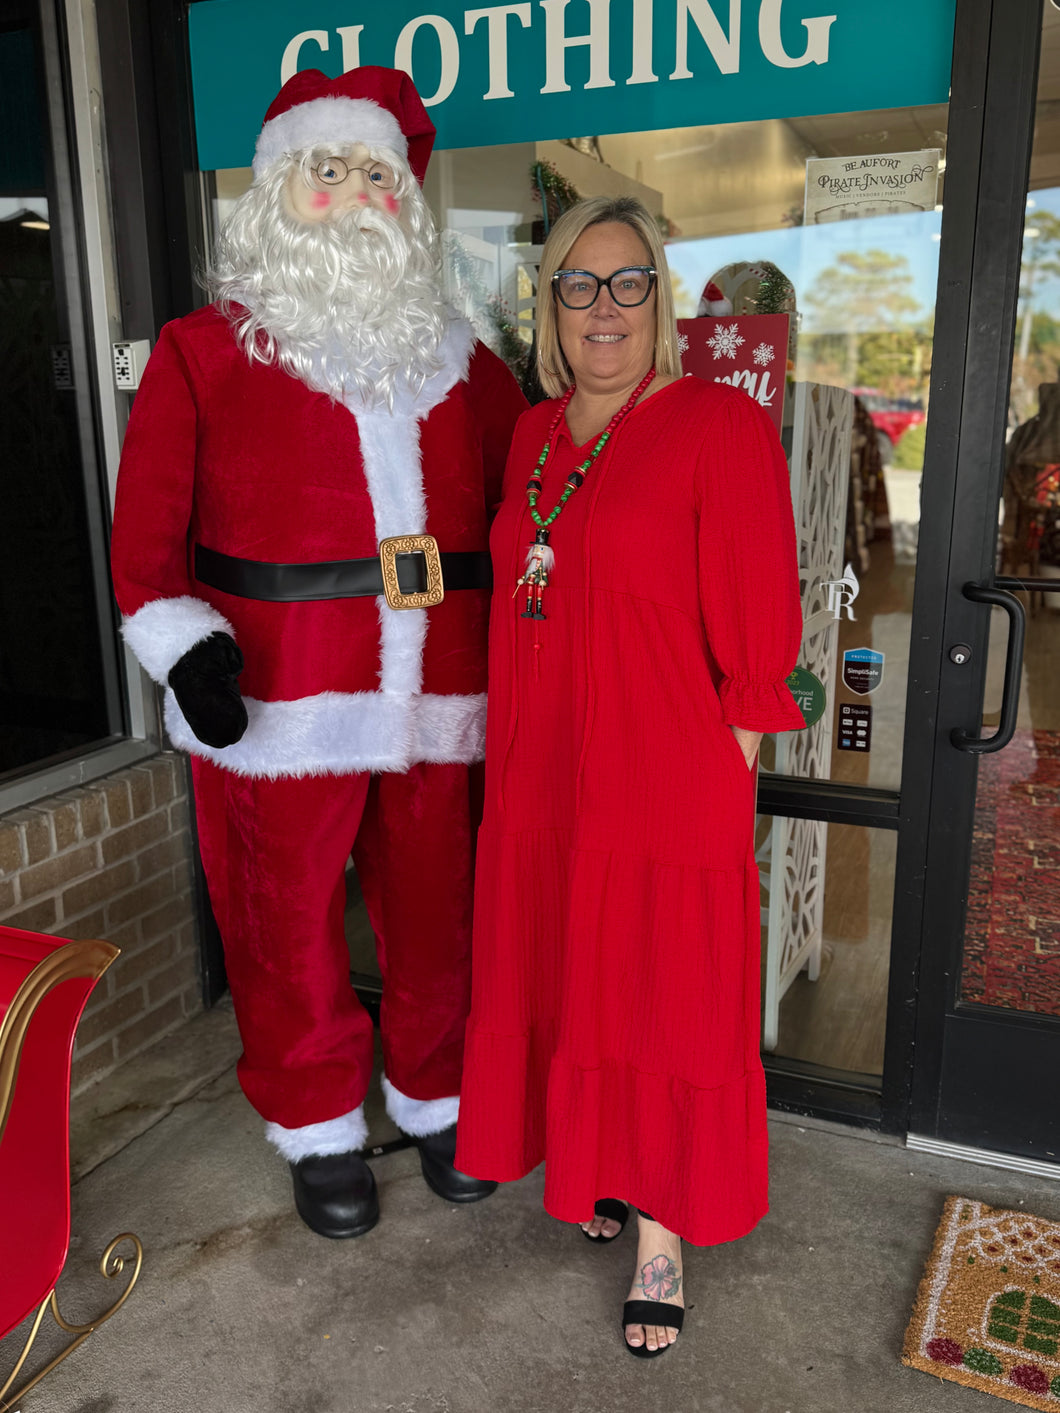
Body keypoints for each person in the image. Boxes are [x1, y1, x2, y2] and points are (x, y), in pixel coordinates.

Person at [109, 67, 526, 1238]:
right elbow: (145, 542)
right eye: (325, 171)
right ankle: (317, 1124)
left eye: (373, 175)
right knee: (282, 920)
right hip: (280, 696)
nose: (350, 197)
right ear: (278, 191)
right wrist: (185, 646)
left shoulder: (464, 360)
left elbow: (522, 504)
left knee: (440, 912)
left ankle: (435, 1096)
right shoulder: (203, 353)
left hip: (442, 692)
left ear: (405, 202)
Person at [455, 196, 805, 1355]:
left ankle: (663, 1238)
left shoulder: (716, 422)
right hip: (547, 766)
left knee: (659, 988)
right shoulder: (533, 433)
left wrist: (728, 759)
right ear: (548, 306)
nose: (603, 309)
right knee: (573, 968)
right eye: (577, 285)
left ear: (660, 297)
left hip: (663, 768)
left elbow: (760, 616)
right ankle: (600, 1166)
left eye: (627, 284)